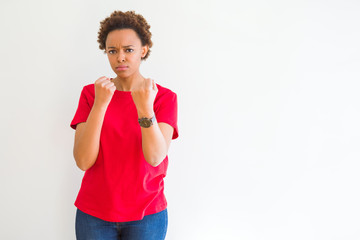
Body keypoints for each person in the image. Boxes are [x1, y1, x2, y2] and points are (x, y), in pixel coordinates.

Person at [70, 10, 179, 240]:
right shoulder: (92, 94)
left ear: (143, 50)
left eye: (128, 50)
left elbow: (155, 157)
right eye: (112, 51)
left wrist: (145, 108)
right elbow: (82, 160)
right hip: (94, 214)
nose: (120, 57)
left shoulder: (163, 98)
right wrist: (101, 105)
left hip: (147, 214)